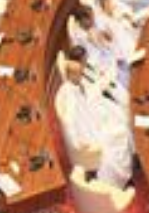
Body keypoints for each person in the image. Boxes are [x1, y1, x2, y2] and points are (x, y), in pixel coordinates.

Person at [57, 59, 133, 189]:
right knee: (117, 138)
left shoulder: (77, 83)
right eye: (79, 73)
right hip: (86, 132)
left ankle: (126, 171)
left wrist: (108, 75)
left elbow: (92, 90)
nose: (82, 75)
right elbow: (69, 123)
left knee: (120, 121)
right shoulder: (69, 94)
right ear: (70, 75)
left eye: (81, 72)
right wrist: (77, 143)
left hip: (92, 121)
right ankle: (115, 181)